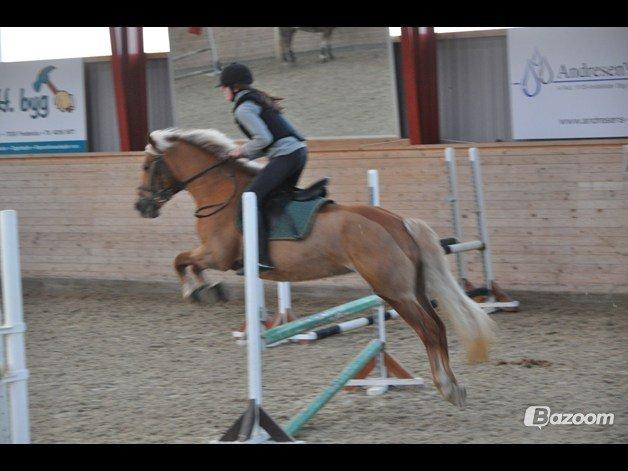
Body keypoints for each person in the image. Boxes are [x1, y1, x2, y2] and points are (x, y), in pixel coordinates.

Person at [218, 62, 307, 272]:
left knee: (249, 199)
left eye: (223, 87)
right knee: (272, 199)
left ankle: (259, 258)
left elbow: (263, 138)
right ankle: (282, 248)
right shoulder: (258, 100)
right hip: (298, 153)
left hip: (286, 156)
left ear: (233, 87)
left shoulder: (243, 109)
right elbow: (268, 141)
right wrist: (244, 154)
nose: (222, 91)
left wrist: (241, 151)